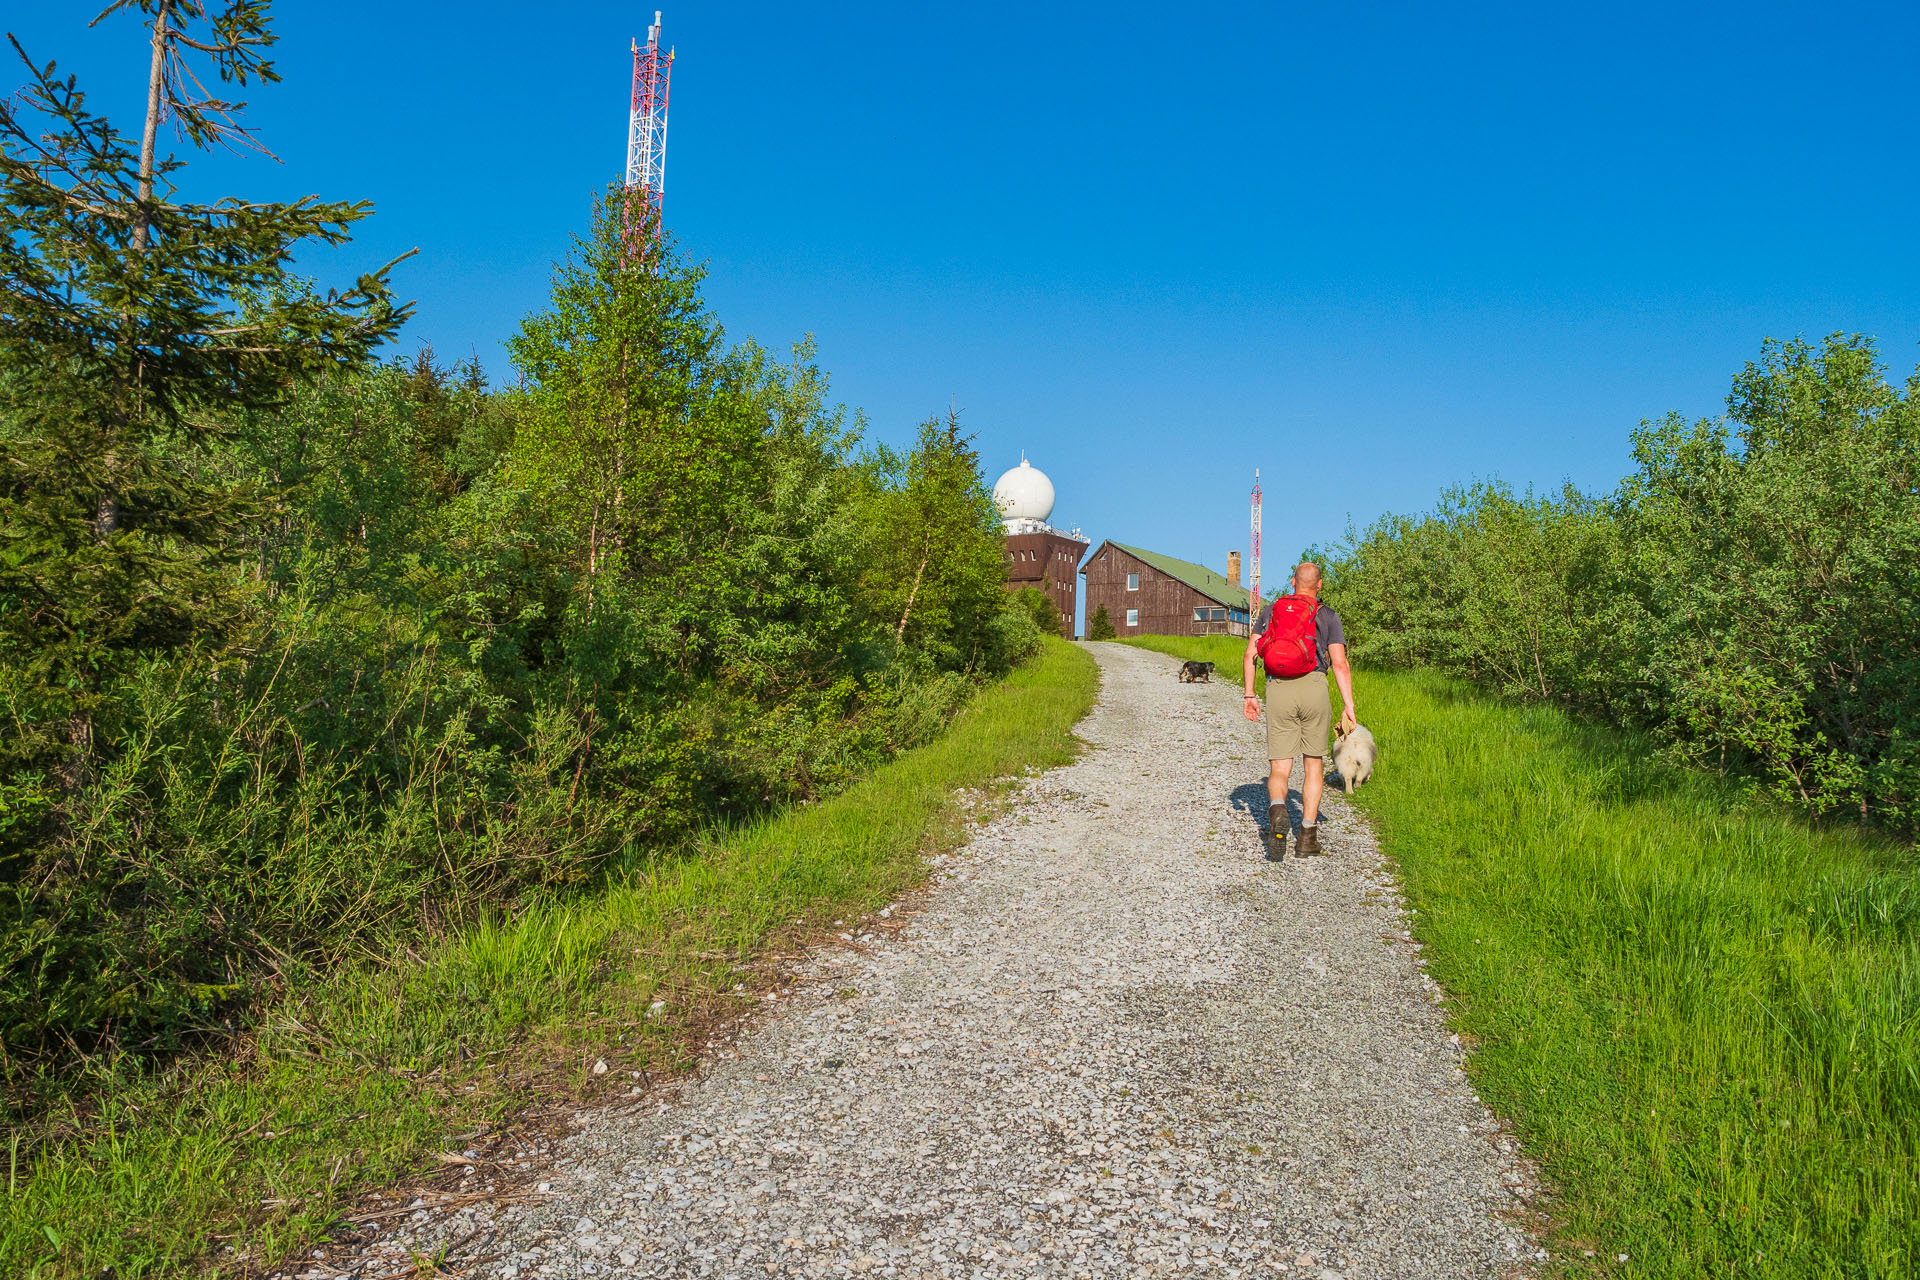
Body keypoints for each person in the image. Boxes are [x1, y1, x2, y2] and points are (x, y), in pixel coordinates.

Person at [1241, 561, 1356, 859]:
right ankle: (1307, 837)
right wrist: (1349, 705)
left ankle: (1278, 810)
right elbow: (1340, 663)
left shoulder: (1271, 611)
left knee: (1280, 767)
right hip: (1315, 687)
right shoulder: (1328, 615)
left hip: (1279, 688)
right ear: (1319, 585)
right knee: (1313, 764)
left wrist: (1249, 694)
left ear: (1293, 582)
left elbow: (1251, 653)